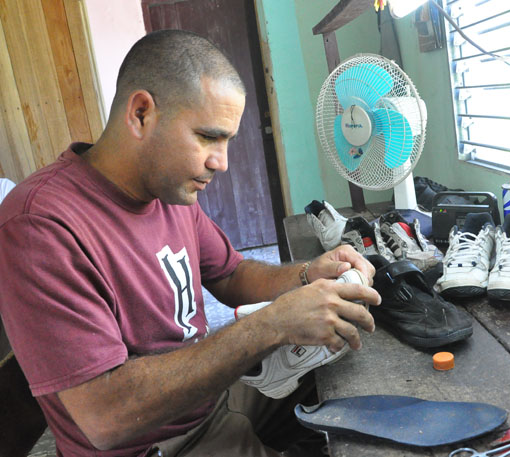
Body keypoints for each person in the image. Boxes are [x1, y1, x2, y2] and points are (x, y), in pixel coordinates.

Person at [0, 30, 380, 457]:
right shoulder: (39, 225)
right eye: (208, 136)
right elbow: (105, 417)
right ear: (141, 113)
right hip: (155, 443)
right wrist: (273, 322)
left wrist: (309, 273)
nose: (222, 162)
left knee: (362, 374)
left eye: (228, 141)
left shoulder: (167, 188)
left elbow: (231, 272)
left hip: (213, 400)